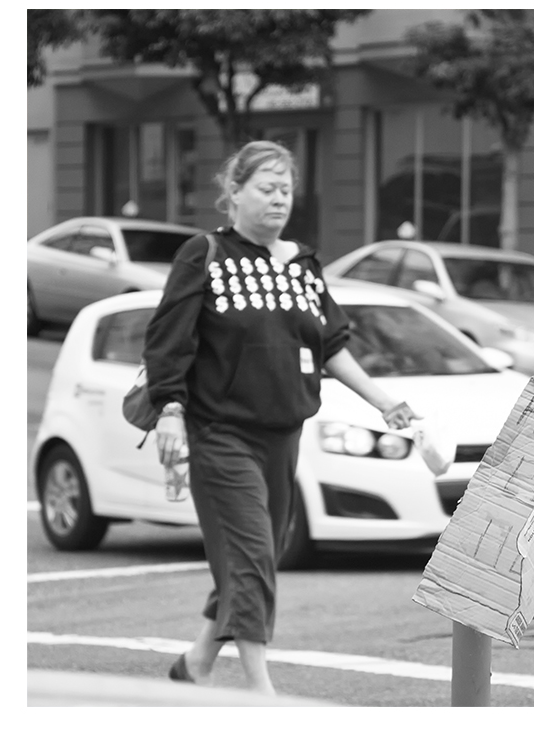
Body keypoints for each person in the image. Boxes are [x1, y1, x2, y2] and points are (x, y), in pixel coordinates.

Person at [143, 140, 419, 694]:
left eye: (286, 190)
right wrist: (169, 411)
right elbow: (166, 342)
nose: (278, 200)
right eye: (266, 188)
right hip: (220, 433)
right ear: (234, 192)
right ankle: (260, 691)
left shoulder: (303, 265)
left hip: (283, 434)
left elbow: (331, 345)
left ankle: (196, 663)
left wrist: (384, 401)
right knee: (251, 555)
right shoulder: (205, 255)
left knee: (254, 555)